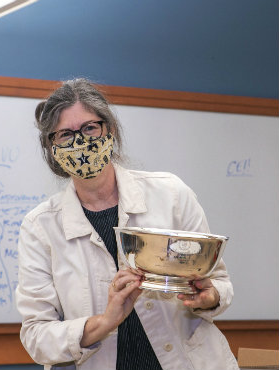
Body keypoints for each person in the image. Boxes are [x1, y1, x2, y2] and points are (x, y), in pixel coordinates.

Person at [15, 78, 239, 370]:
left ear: (109, 129)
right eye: (65, 135)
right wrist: (106, 321)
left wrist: (208, 297)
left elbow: (220, 284)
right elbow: (37, 337)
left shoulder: (170, 194)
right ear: (51, 147)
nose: (80, 142)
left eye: (89, 128)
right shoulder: (39, 227)